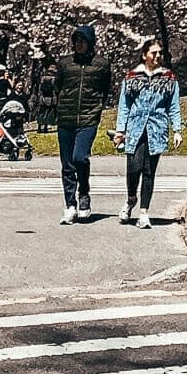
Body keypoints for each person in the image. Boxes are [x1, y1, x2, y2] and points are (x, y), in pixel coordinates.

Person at [111, 37, 182, 228]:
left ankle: (144, 212)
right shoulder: (132, 77)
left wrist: (177, 129)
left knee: (149, 171)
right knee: (133, 168)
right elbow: (124, 106)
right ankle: (131, 198)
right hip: (135, 128)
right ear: (145, 55)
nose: (158, 56)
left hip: (157, 128)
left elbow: (173, 105)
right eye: (154, 53)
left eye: (160, 53)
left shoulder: (168, 78)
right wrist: (120, 130)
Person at [53, 24, 115, 224]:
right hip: (66, 118)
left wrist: (97, 108)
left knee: (80, 157)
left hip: (88, 118)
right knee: (67, 164)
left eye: (83, 41)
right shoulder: (64, 64)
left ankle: (84, 193)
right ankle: (70, 204)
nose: (79, 44)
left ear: (90, 42)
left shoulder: (101, 65)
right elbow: (58, 88)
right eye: (76, 41)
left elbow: (105, 90)